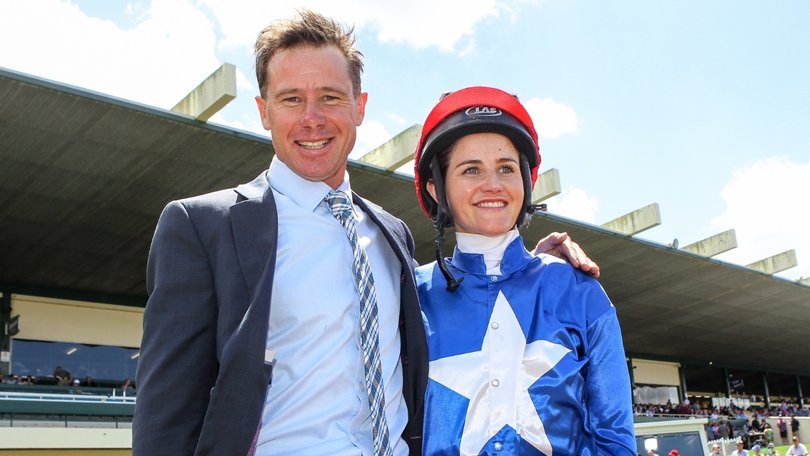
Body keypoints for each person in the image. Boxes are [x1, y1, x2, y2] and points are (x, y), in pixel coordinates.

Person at [132, 10, 599, 456]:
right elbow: (167, 414)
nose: (312, 118)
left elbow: (452, 307)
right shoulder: (202, 227)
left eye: (330, 97)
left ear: (360, 106)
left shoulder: (391, 234)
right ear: (263, 110)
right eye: (291, 98)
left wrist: (524, 270)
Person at [413, 86, 635, 454]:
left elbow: (616, 441)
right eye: (471, 169)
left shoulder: (579, 291)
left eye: (506, 168)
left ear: (526, 182)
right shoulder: (409, 297)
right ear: (436, 188)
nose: (493, 185)